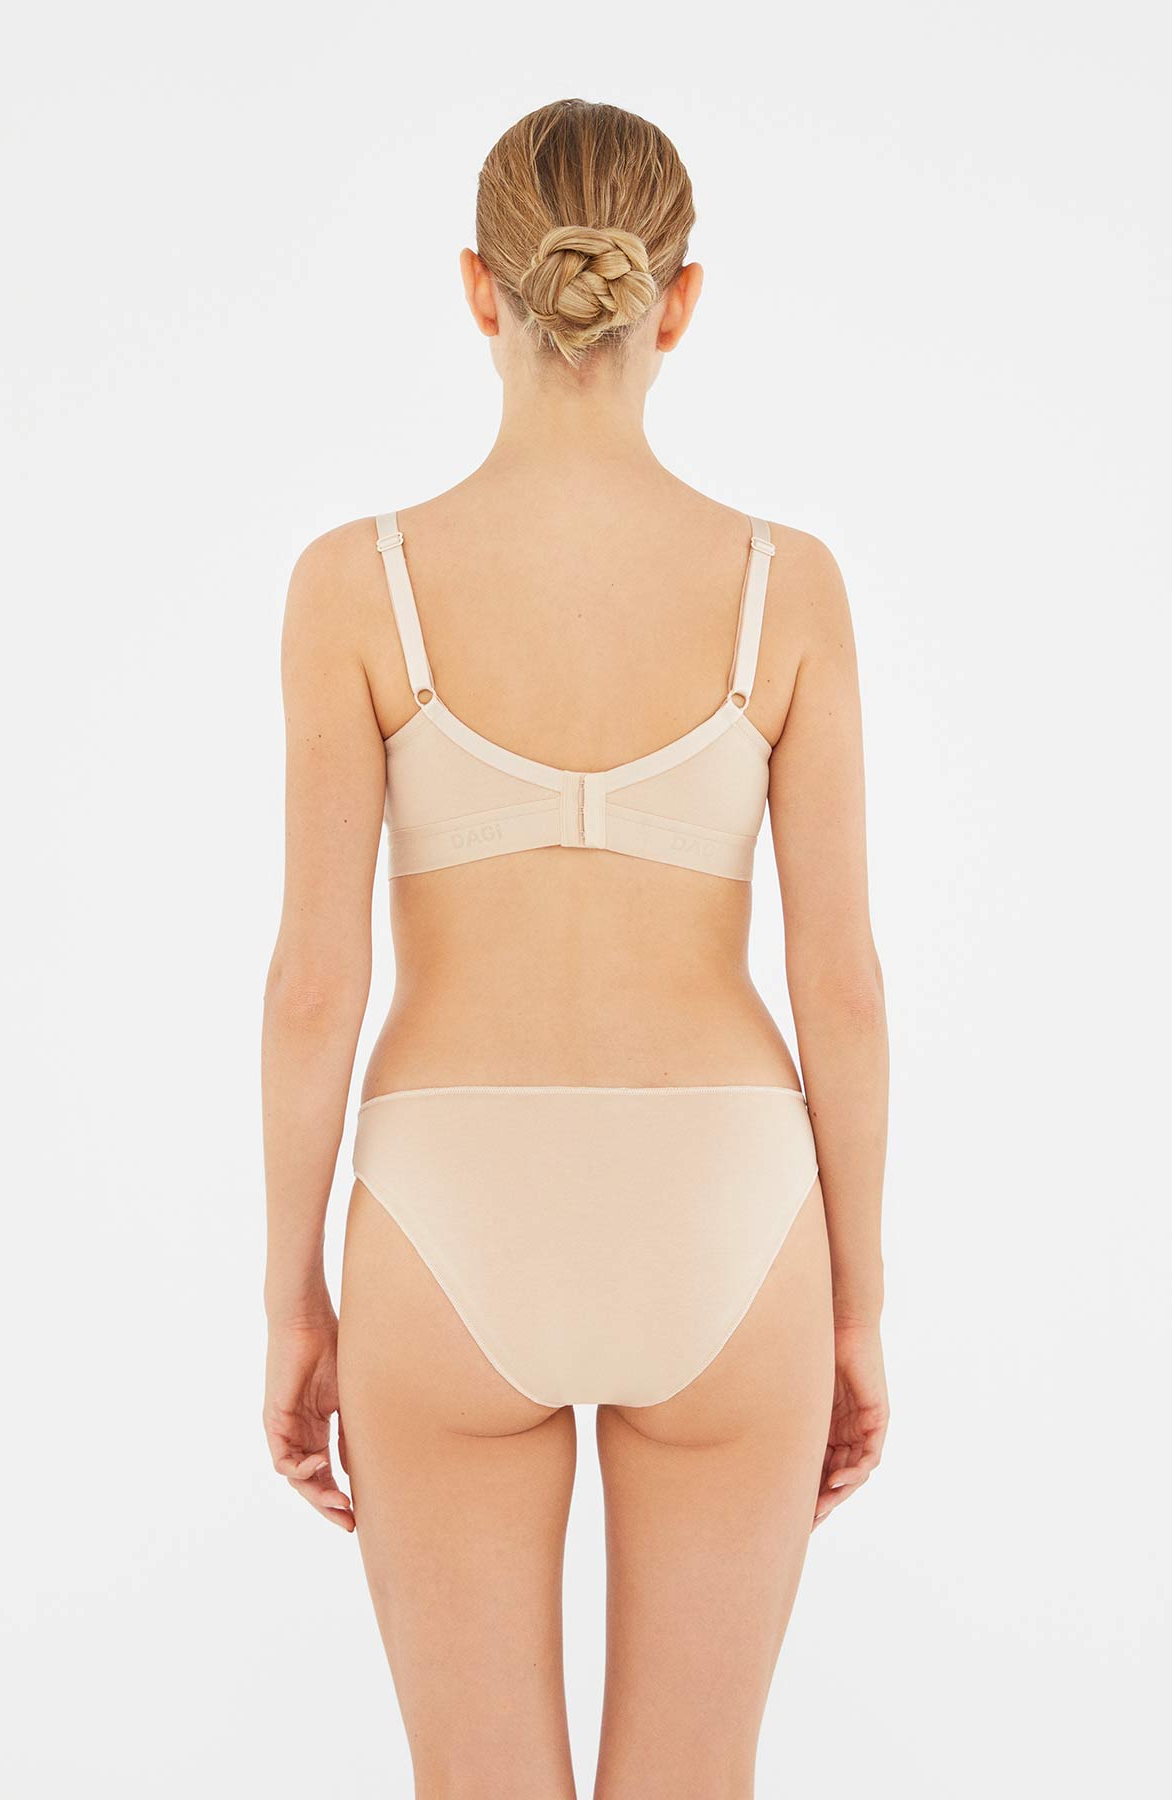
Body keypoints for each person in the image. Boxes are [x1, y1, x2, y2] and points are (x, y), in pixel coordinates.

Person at [262, 96, 889, 1800]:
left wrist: (293, 1297)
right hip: (730, 1212)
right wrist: (858, 1309)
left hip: (444, 1212)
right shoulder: (787, 586)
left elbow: (315, 986)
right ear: (680, 303)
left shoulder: (357, 586)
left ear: (480, 288)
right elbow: (840, 983)